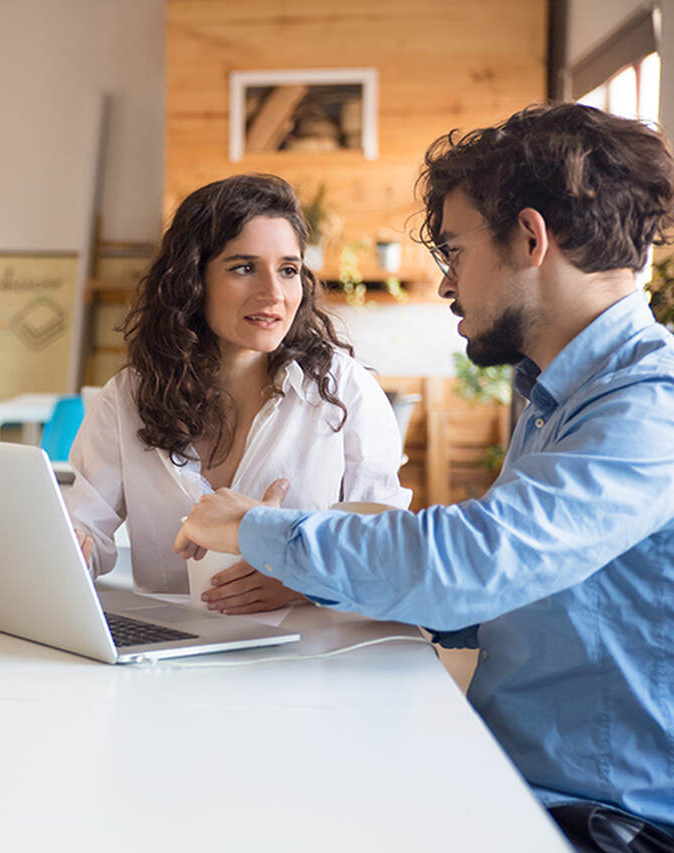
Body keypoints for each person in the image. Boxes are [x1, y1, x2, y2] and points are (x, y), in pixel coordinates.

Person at [175, 104, 674, 850]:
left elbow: (472, 563)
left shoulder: (649, 406)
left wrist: (252, 525)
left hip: (604, 825)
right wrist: (336, 566)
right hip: (520, 782)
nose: (447, 281)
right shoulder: (566, 392)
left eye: (457, 249)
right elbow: (531, 594)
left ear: (530, 239)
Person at [65, 173, 409, 609]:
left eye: (288, 270)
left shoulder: (344, 391)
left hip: (313, 660)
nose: (274, 293)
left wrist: (304, 580)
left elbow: (389, 548)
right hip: (167, 658)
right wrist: (70, 549)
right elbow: (84, 526)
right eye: (244, 268)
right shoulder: (128, 397)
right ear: (192, 279)